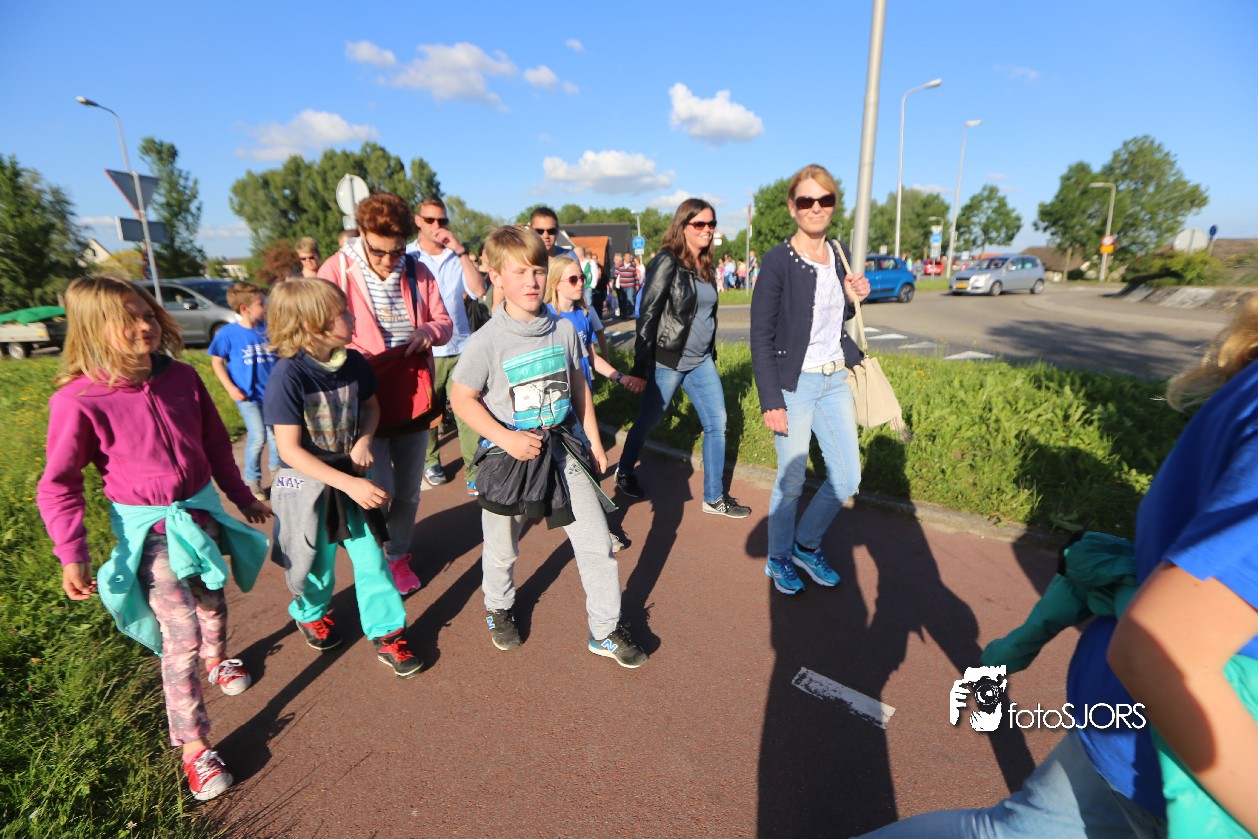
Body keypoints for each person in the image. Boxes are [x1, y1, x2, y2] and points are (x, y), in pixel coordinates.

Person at [860, 302, 1258, 837]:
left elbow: (1039, 635)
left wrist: (998, 665)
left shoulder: (1246, 385)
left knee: (1000, 828)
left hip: (1129, 715)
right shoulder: (1088, 587)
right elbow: (1154, 646)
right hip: (1168, 733)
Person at [37, 276, 272, 802]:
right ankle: (194, 746)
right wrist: (72, 553)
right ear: (93, 328)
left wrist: (241, 497)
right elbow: (59, 484)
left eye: (147, 314)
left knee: (213, 601)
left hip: (201, 516)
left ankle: (218, 658)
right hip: (151, 535)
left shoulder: (183, 377)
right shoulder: (77, 400)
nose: (144, 326)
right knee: (179, 634)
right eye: (128, 319)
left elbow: (216, 445)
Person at [449, 226, 647, 668]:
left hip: (563, 451)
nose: (532, 281)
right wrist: (506, 438)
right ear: (497, 277)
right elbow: (461, 398)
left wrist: (593, 441)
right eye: (519, 272)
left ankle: (605, 630)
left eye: (538, 271)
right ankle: (499, 607)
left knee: (596, 544)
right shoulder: (486, 342)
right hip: (509, 458)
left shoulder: (563, 329)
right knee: (503, 546)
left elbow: (578, 387)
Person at [263, 278, 423, 679]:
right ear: (312, 325)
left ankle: (387, 633)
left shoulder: (353, 362)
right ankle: (310, 613)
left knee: (372, 560)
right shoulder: (288, 375)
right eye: (342, 312)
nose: (352, 317)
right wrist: (348, 482)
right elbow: (289, 451)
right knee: (315, 564)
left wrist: (364, 441)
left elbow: (370, 407)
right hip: (308, 488)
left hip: (350, 481)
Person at [317, 192, 453, 596]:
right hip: (362, 398)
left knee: (409, 490)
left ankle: (398, 555)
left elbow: (444, 321)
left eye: (397, 251)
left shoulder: (417, 270)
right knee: (378, 489)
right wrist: (349, 354)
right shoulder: (337, 270)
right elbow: (316, 329)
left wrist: (428, 331)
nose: (388, 260)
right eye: (379, 251)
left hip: (411, 392)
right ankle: (374, 558)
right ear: (361, 233)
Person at [750, 164, 870, 595]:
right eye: (806, 200)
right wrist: (771, 400)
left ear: (834, 204)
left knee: (848, 478)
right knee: (792, 480)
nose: (816, 207)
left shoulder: (838, 252)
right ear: (792, 207)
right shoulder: (778, 261)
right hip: (794, 384)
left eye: (825, 199)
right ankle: (779, 557)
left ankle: (806, 543)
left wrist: (855, 298)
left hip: (835, 379)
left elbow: (835, 316)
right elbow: (761, 335)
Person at [614, 198, 751, 519]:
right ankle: (625, 470)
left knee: (717, 423)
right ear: (683, 226)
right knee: (648, 421)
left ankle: (714, 498)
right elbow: (648, 314)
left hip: (701, 360)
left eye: (711, 223)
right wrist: (640, 367)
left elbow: (705, 314)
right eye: (699, 223)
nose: (707, 229)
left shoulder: (705, 265)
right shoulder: (667, 261)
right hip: (669, 360)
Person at [406, 195, 488, 496]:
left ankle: (474, 471)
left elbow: (478, 291)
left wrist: (461, 251)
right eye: (430, 219)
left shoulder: (456, 256)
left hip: (461, 345)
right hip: (425, 348)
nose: (437, 225)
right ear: (418, 221)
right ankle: (431, 462)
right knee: (428, 412)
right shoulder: (408, 256)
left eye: (442, 220)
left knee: (469, 411)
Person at [207, 282, 280, 500]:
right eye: (261, 304)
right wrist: (231, 388)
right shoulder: (228, 334)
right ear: (244, 308)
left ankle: (278, 477)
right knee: (258, 437)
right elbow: (217, 362)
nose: (265, 307)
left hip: (272, 394)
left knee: (276, 437)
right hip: (248, 397)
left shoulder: (269, 329)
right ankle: (253, 481)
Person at [614, 252, 638, 321]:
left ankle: (631, 313)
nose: (629, 258)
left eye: (629, 257)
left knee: (630, 299)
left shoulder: (633, 265)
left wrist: (637, 284)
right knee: (623, 300)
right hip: (622, 286)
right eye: (627, 257)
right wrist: (614, 283)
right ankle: (625, 315)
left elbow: (635, 276)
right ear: (624, 257)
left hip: (630, 285)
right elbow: (616, 274)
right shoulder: (620, 265)